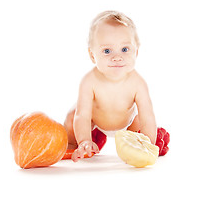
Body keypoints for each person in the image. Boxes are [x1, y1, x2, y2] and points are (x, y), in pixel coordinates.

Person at [64, 10, 157, 162]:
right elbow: (83, 115)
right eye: (107, 51)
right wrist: (84, 140)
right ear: (93, 55)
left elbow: (148, 116)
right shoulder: (89, 81)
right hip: (95, 121)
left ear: (136, 52)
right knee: (72, 116)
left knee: (141, 120)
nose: (117, 57)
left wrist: (148, 144)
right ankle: (74, 144)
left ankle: (140, 143)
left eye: (125, 49)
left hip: (127, 123)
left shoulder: (138, 83)